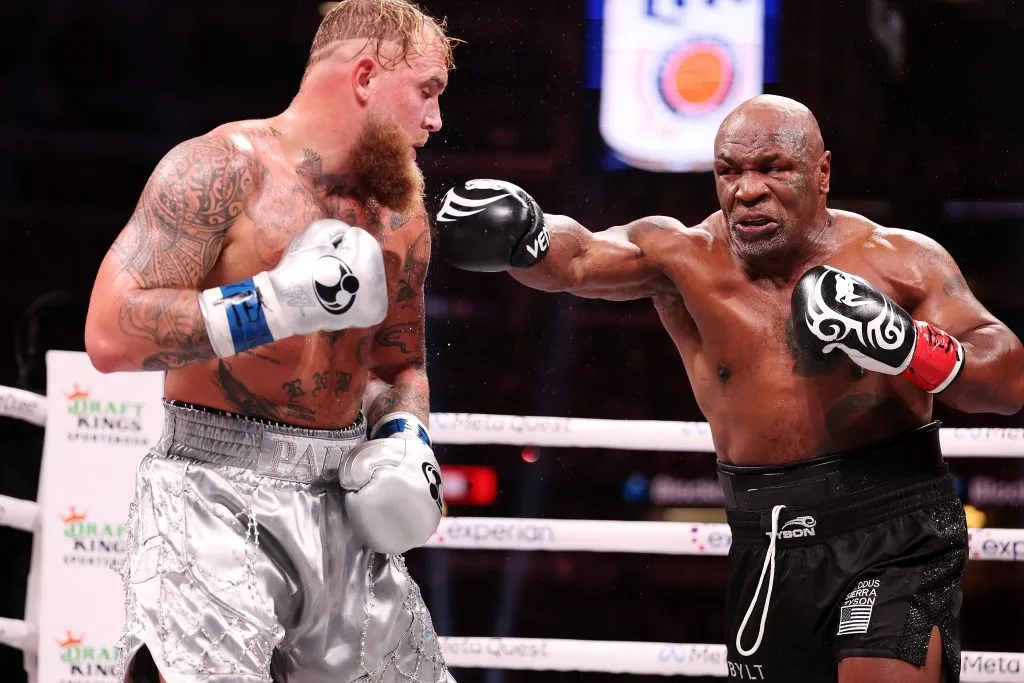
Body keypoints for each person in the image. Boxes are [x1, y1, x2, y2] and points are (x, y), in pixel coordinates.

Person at [433, 95, 1024, 683]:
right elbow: (581, 255)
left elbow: (1007, 380)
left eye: (772, 169)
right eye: (729, 172)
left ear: (821, 174)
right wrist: (525, 234)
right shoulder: (684, 255)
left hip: (892, 530)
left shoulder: (902, 261)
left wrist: (908, 346)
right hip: (766, 544)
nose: (747, 190)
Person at [84, 1, 458, 681]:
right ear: (367, 76)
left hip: (341, 499)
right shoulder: (223, 169)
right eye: (427, 91)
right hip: (210, 492)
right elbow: (109, 331)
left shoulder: (401, 213)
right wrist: (272, 305)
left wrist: (406, 435)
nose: (435, 120)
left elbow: (401, 361)